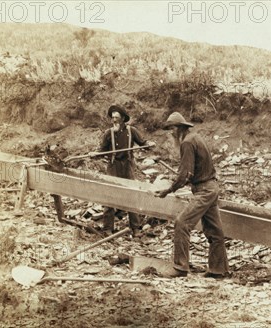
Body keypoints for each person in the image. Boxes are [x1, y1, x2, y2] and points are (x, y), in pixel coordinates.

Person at [152, 112, 229, 279]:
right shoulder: (195, 138)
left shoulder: (186, 143)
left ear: (179, 128)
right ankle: (218, 270)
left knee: (182, 223)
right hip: (211, 187)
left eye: (171, 129)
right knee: (215, 231)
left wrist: (168, 190)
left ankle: (180, 268)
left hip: (204, 190)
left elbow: (185, 174)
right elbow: (193, 170)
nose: (170, 133)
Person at [94, 105, 155, 236]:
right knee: (110, 195)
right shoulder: (108, 133)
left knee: (131, 195)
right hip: (113, 166)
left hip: (127, 165)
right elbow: (102, 150)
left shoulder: (131, 131)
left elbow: (143, 143)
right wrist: (95, 154)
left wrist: (149, 145)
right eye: (113, 118)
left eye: (117, 118)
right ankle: (107, 229)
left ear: (122, 119)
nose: (114, 120)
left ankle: (136, 228)